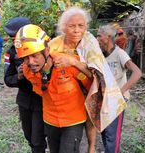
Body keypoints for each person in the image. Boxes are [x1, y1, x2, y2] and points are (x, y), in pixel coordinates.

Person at [49, 7, 128, 153]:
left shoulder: (90, 42)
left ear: (86, 26)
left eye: (81, 26)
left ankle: (91, 147)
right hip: (65, 93)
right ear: (63, 27)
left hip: (90, 88)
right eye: (72, 26)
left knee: (91, 118)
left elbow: (97, 75)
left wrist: (73, 62)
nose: (77, 30)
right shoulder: (55, 43)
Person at [15, 24, 92, 153]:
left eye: (34, 55)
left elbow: (92, 83)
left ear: (46, 50)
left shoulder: (68, 62)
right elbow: (40, 89)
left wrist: (76, 63)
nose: (31, 62)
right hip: (50, 120)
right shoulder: (27, 70)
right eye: (25, 58)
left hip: (73, 121)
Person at [3, 18, 46, 153]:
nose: (13, 40)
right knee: (29, 136)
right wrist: (19, 77)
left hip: (41, 100)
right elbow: (8, 79)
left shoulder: (42, 49)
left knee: (37, 140)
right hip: (24, 100)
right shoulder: (11, 53)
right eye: (11, 38)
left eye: (15, 36)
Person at [97, 24, 142, 153]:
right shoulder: (100, 55)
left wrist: (121, 92)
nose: (97, 39)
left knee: (112, 136)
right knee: (104, 132)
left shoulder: (119, 54)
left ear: (108, 37)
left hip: (117, 101)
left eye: (99, 36)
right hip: (104, 98)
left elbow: (137, 72)